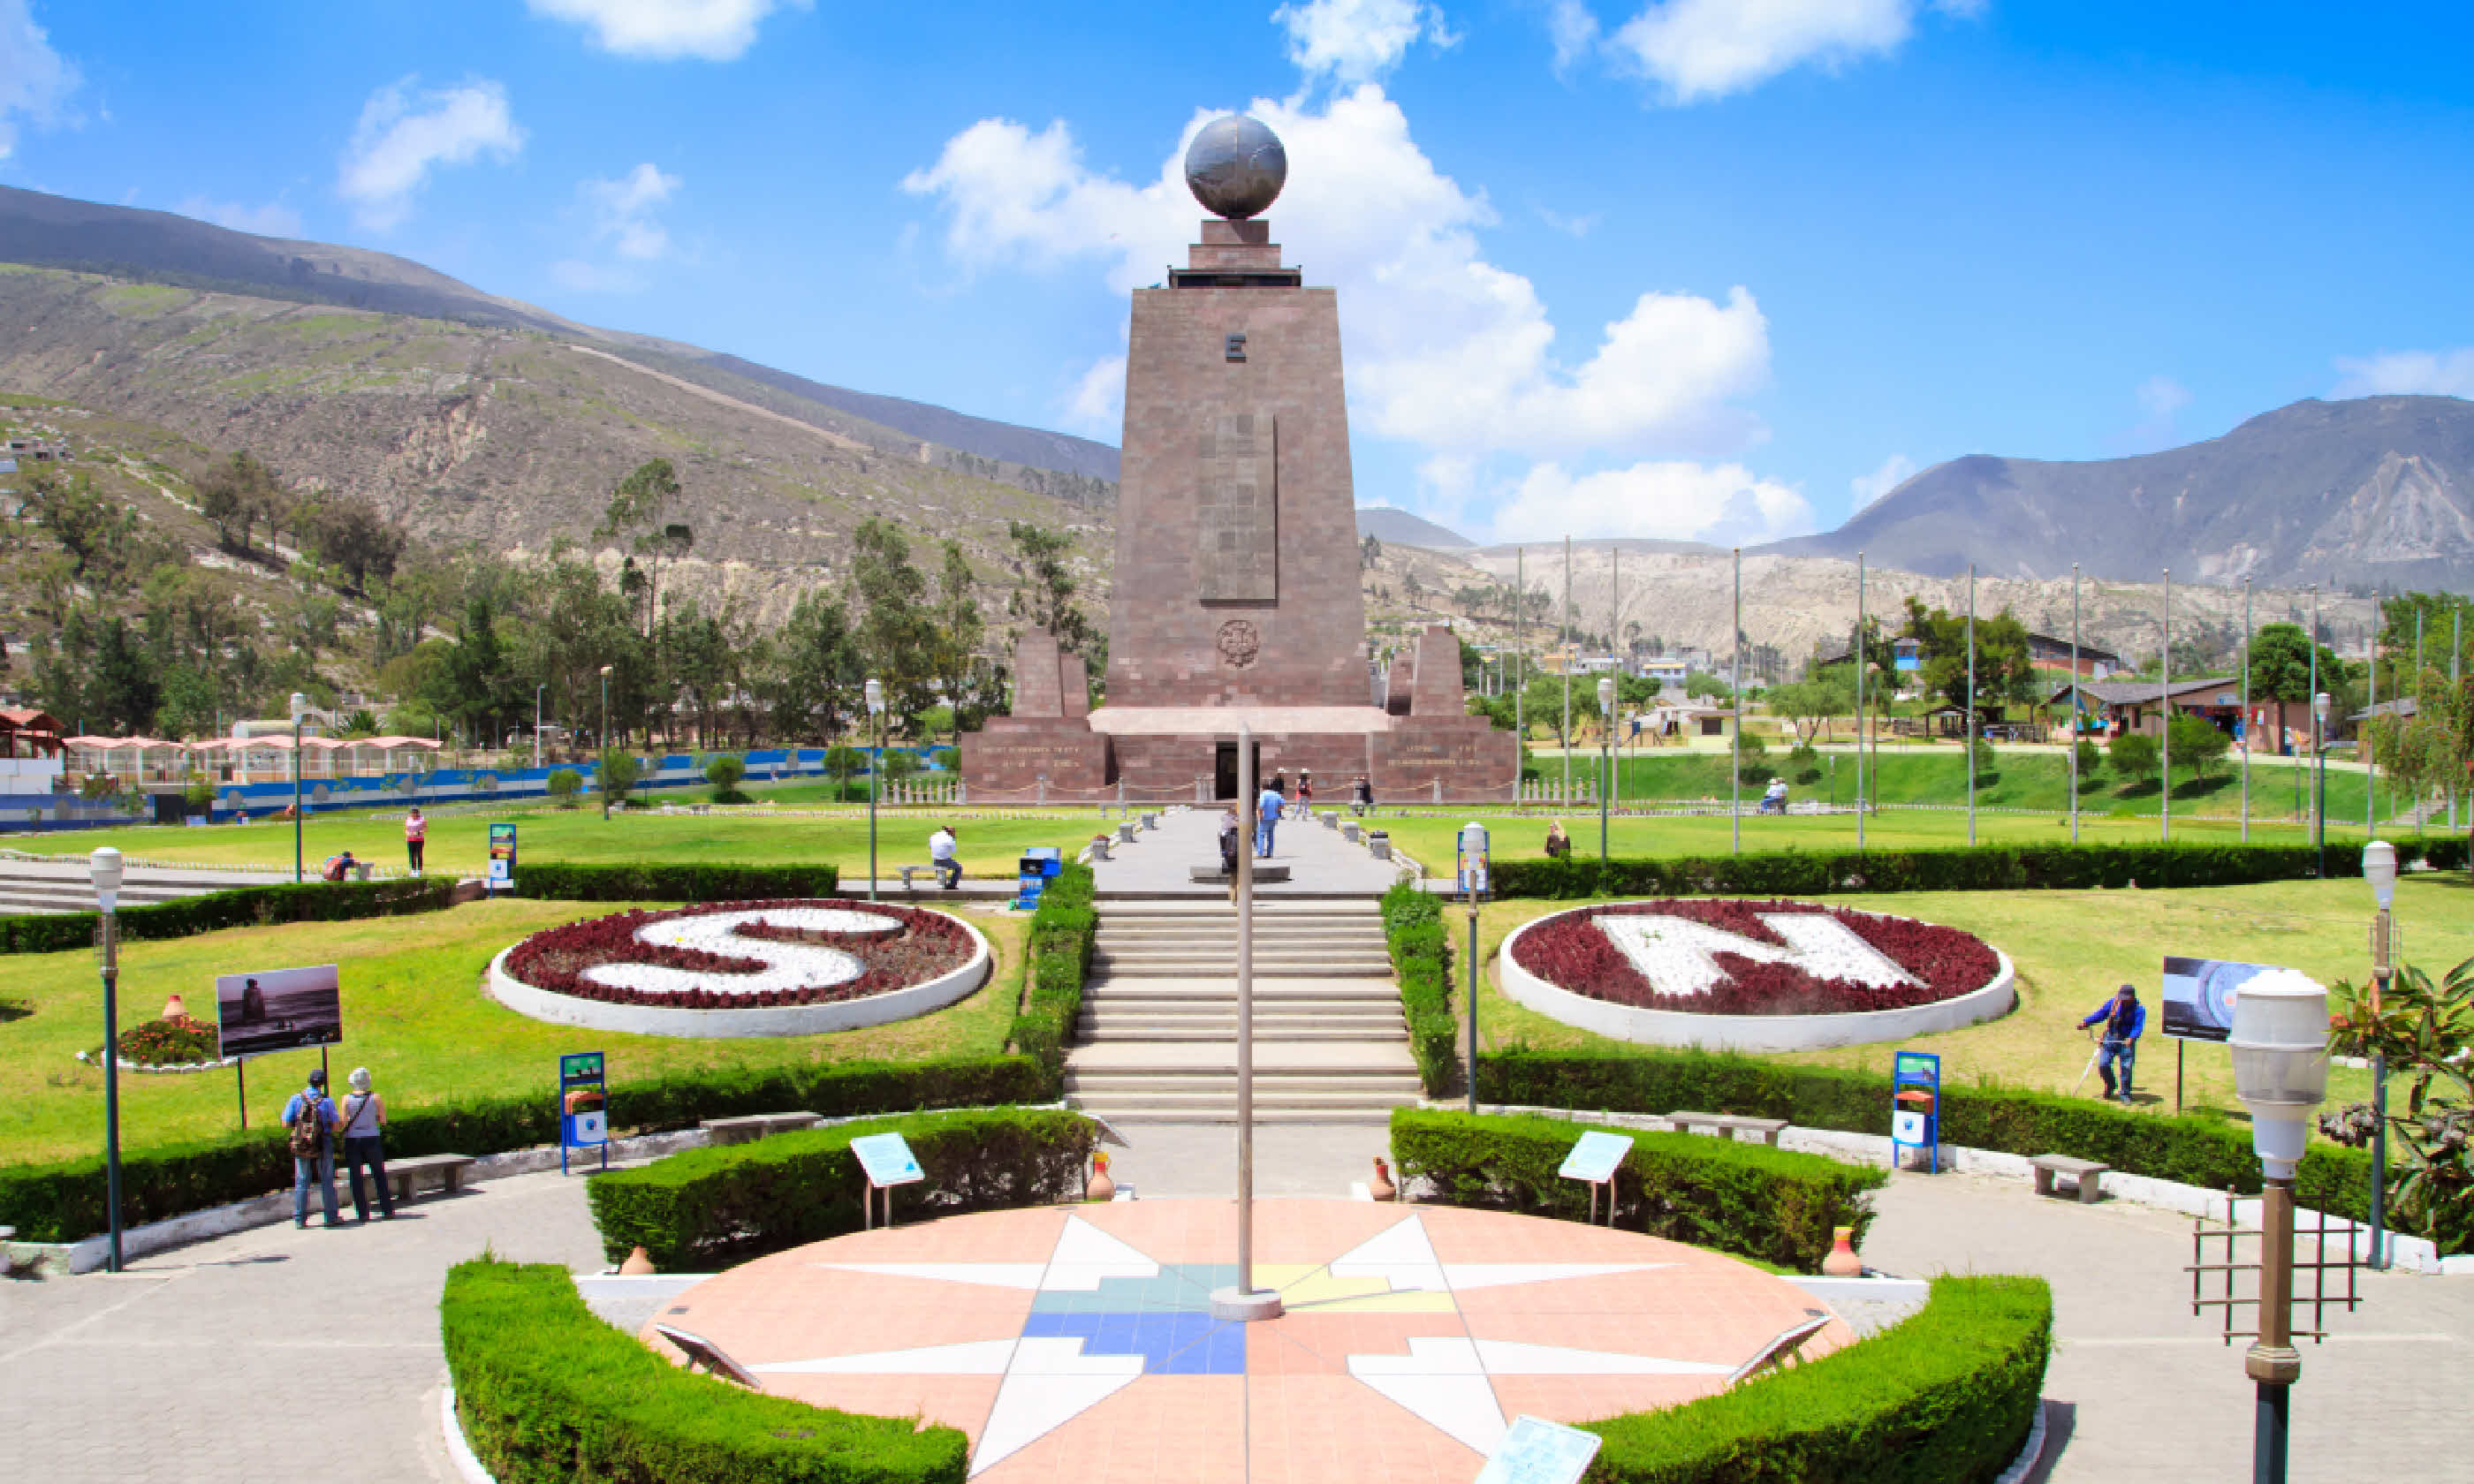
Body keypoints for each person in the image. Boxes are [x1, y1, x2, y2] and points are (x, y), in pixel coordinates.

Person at [283, 1069, 342, 1229]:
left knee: (302, 1180)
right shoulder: (327, 1102)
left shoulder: (296, 1099)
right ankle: (331, 1217)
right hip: (323, 1142)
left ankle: (300, 1219)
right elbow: (336, 1126)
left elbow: (285, 1122)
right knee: (327, 1180)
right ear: (322, 1084)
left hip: (302, 1143)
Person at [337, 1066, 395, 1223]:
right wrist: (372, 1118)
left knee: (356, 1175)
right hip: (371, 1138)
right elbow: (383, 1120)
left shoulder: (346, 1099)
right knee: (379, 1173)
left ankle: (362, 1212)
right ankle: (387, 1209)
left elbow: (342, 1122)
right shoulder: (375, 1098)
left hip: (353, 1139)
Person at [2079, 984, 2145, 1103]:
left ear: (2132, 997)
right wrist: (2087, 1022)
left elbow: (2138, 1026)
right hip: (2110, 1037)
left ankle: (2125, 1093)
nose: (2122, 1000)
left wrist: (2132, 1038)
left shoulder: (2139, 1009)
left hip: (2126, 1041)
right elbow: (2101, 1014)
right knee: (2103, 1064)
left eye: (2125, 997)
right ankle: (2110, 1085)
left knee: (2126, 1068)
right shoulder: (2114, 1003)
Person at [1256, 777, 1285, 859]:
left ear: (1263, 788)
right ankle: (1269, 853)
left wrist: (1260, 815)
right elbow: (1283, 804)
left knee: (1261, 835)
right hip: (1273, 817)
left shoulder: (1263, 795)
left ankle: (1260, 853)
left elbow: (1261, 806)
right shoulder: (1276, 794)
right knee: (1270, 835)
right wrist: (1277, 810)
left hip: (1265, 818)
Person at [929, 824, 960, 890]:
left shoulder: (933, 836)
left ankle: (942, 884)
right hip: (945, 860)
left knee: (939, 867)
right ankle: (952, 885)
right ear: (950, 832)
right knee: (958, 868)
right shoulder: (949, 838)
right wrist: (953, 839)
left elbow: (930, 847)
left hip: (935, 860)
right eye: (954, 832)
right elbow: (953, 851)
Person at [1218, 806, 1241, 874]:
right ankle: (1230, 859)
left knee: (1224, 848)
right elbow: (1236, 825)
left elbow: (1222, 819)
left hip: (1224, 835)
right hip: (1230, 835)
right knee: (1231, 848)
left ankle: (1224, 858)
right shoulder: (1236, 818)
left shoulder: (1224, 816)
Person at [404, 806, 426, 875]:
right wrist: (407, 833)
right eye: (412, 813)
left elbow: (425, 829)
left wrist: (418, 833)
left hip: (419, 839)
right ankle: (413, 869)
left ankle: (420, 870)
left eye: (415, 813)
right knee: (412, 854)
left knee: (419, 854)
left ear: (417, 813)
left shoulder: (421, 819)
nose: (413, 815)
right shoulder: (408, 820)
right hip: (410, 839)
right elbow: (406, 829)